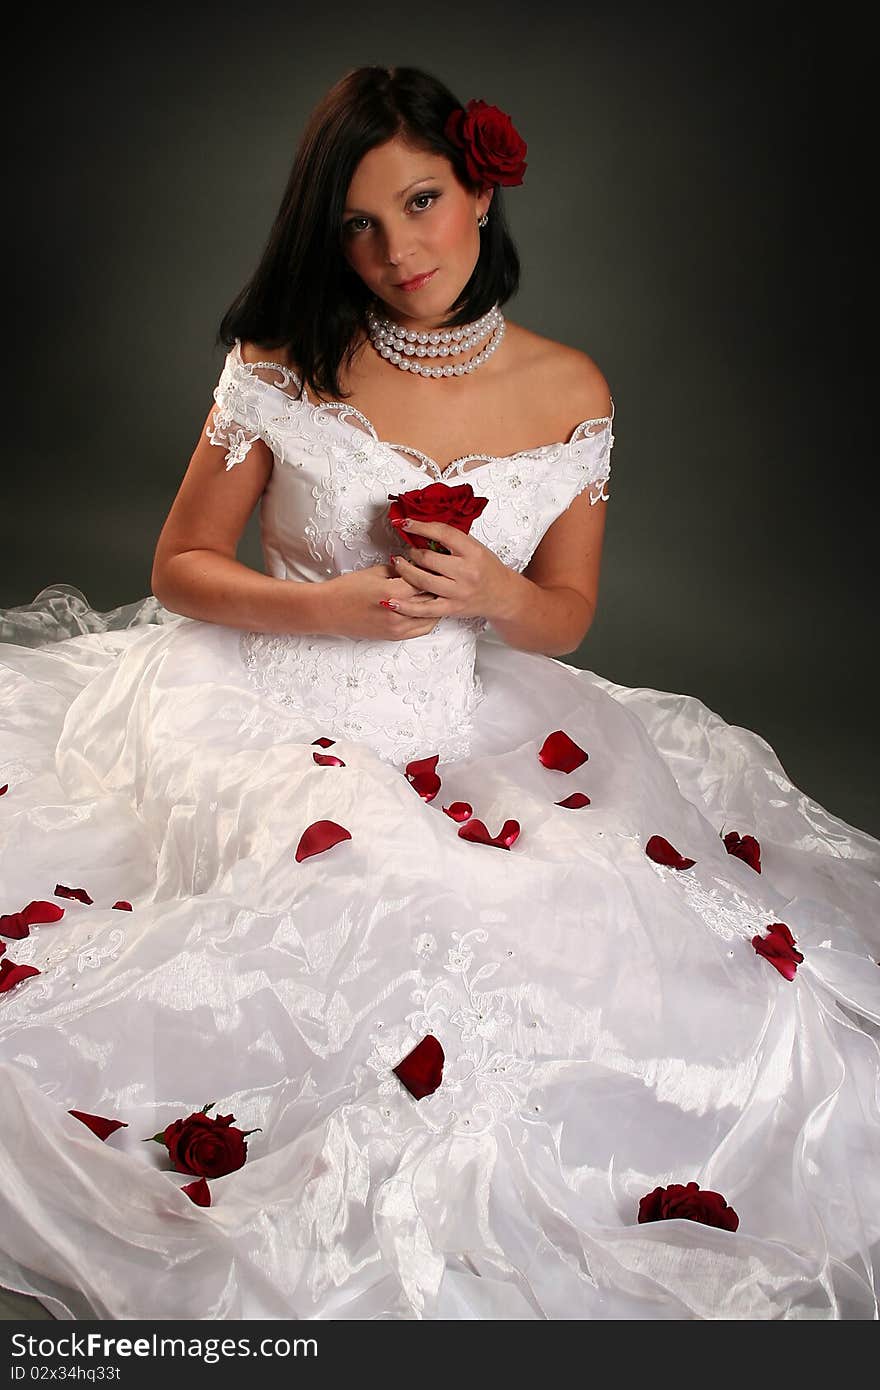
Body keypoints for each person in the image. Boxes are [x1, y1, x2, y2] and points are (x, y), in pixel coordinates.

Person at [0, 65, 878, 1323]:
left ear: (480, 189)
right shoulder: (281, 361)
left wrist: (487, 594)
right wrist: (331, 606)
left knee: (622, 951)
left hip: (467, 727)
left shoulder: (572, 391)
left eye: (418, 202)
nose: (395, 250)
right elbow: (178, 569)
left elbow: (564, 614)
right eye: (356, 223)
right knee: (368, 895)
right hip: (260, 703)